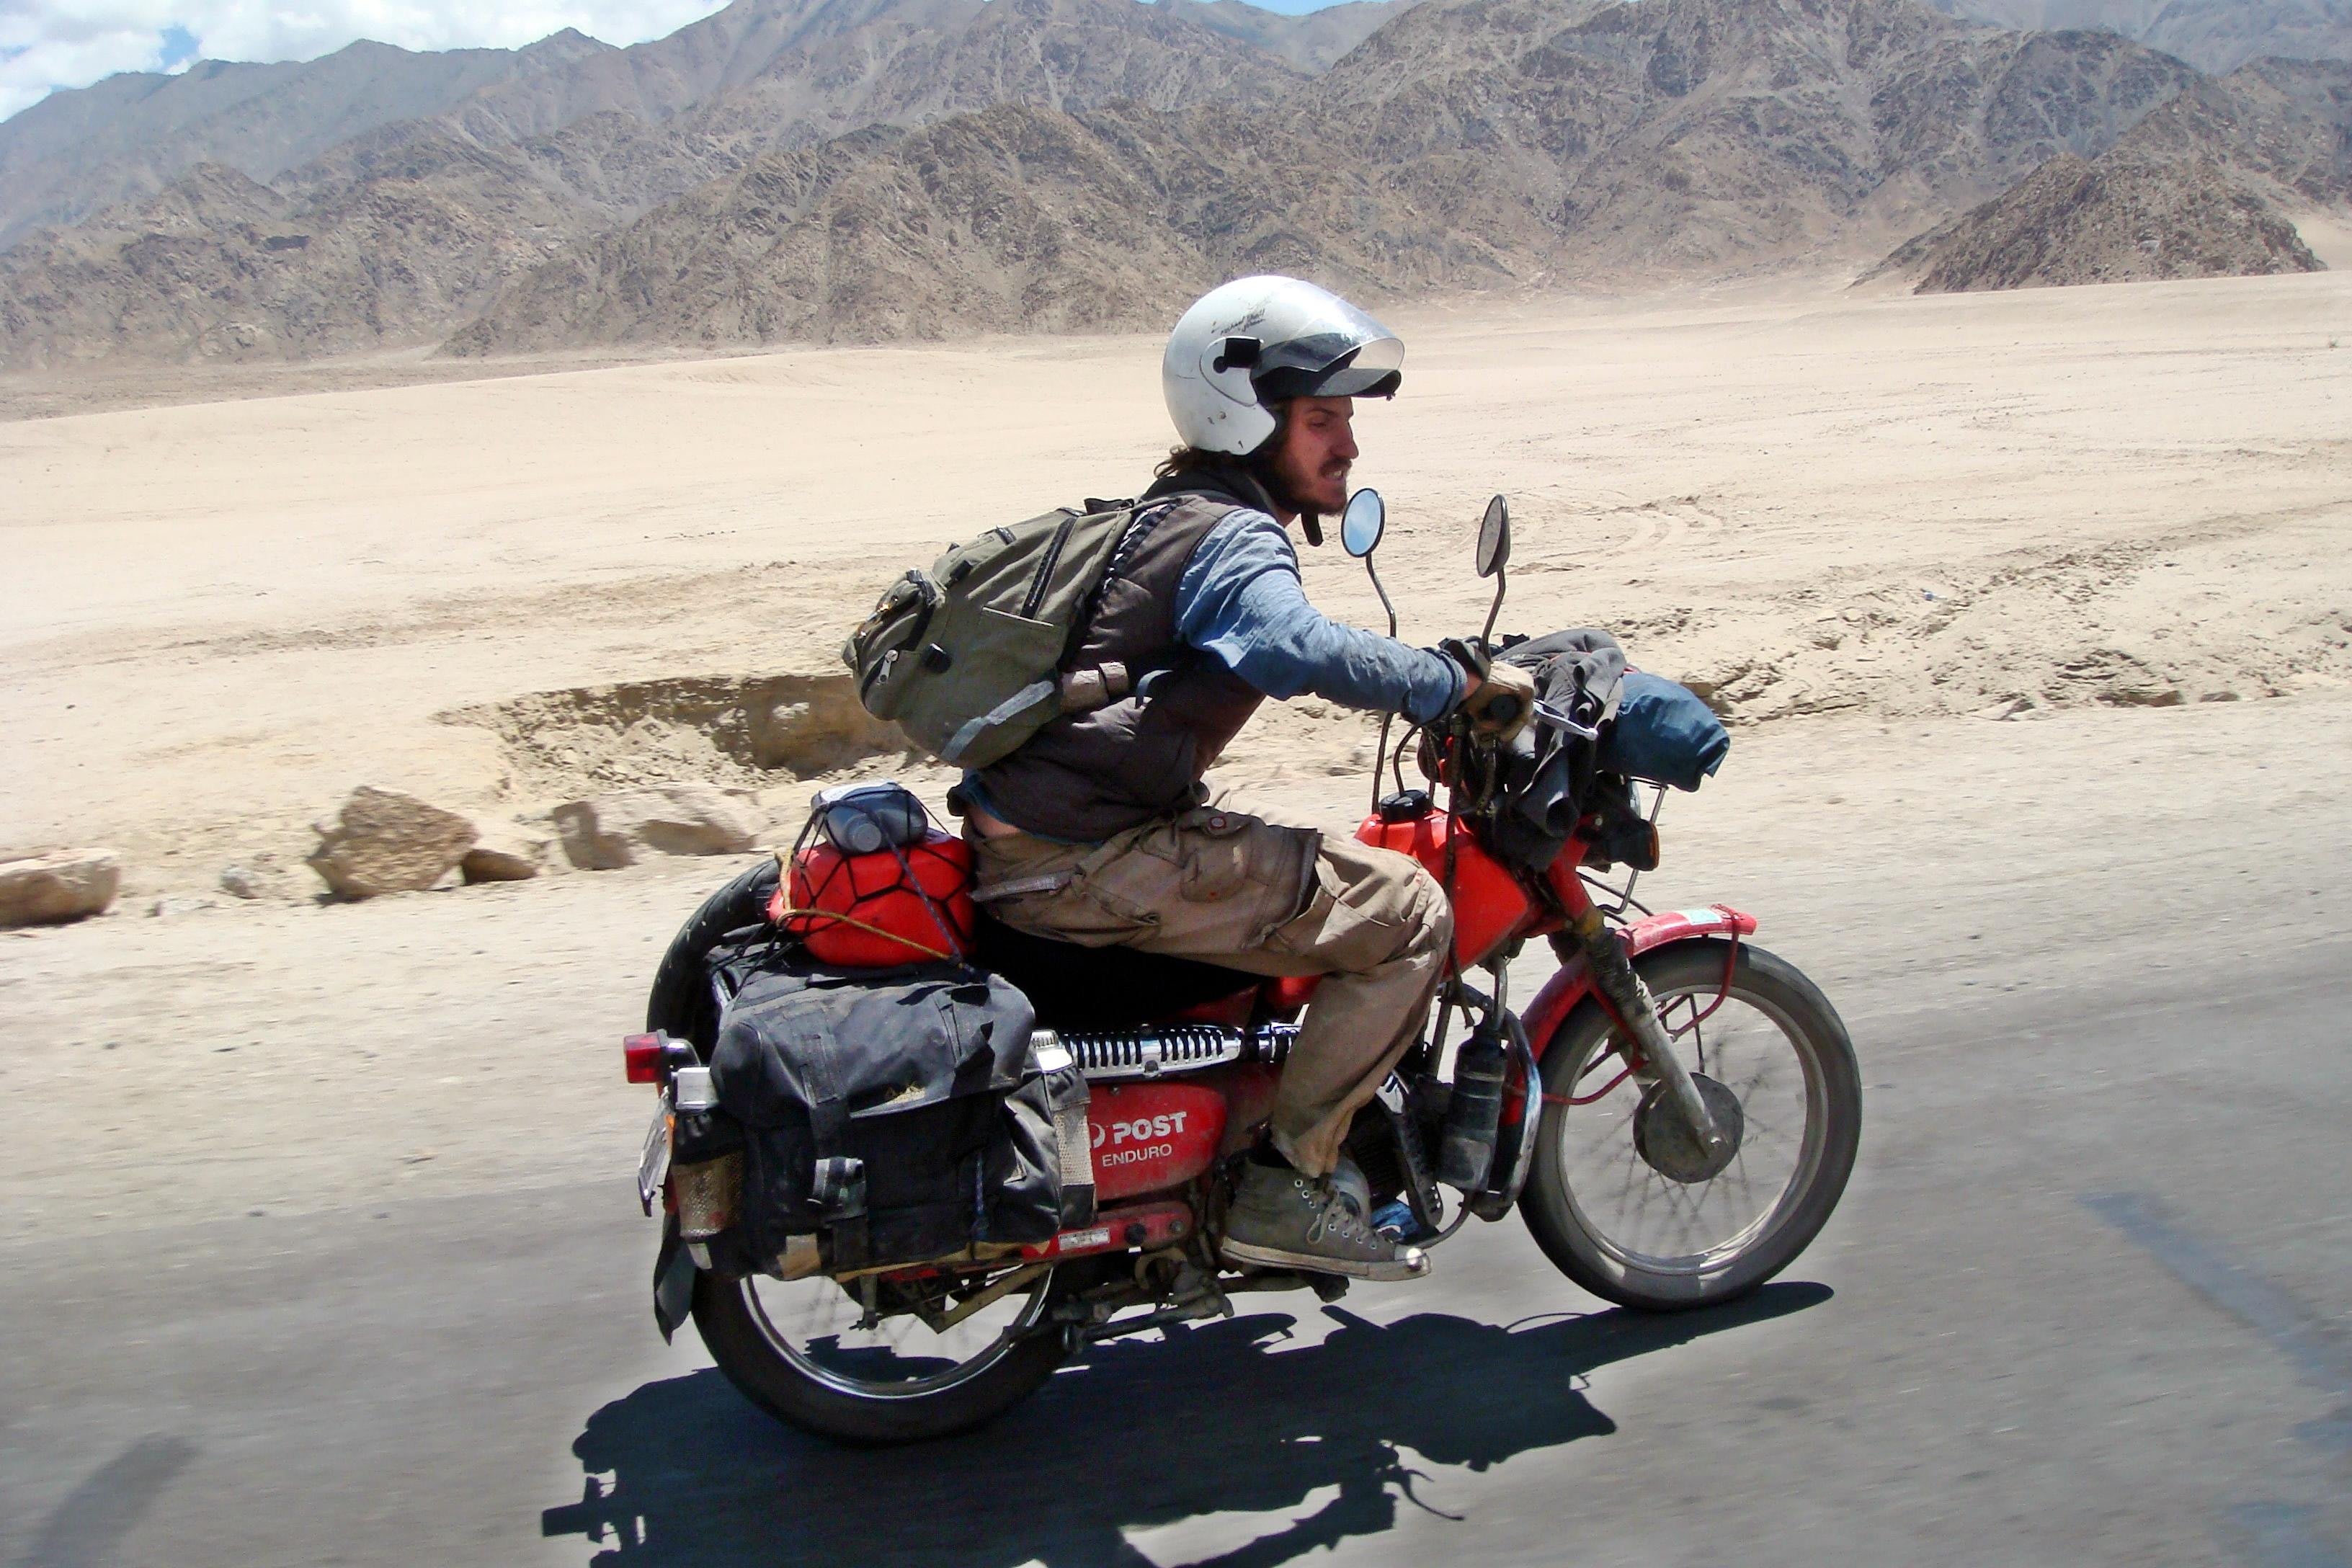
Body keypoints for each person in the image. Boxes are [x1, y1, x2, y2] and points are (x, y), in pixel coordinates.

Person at [957, 275, 1533, 1281]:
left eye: (1345, 420)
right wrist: (1448, 687)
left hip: (1057, 837)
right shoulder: (1233, 532)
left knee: (1311, 867)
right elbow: (1287, 644)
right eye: (1320, 420)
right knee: (1405, 909)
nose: (1345, 446)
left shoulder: (1173, 513)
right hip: (1086, 862)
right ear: (1248, 417)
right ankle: (1289, 1183)